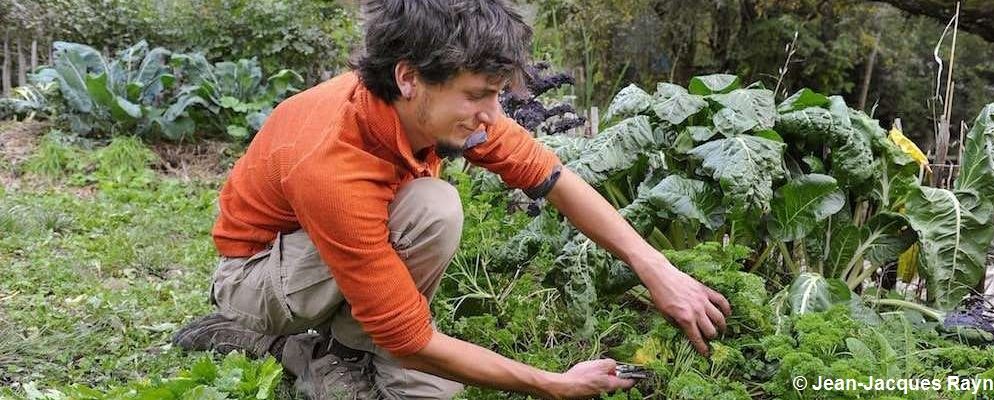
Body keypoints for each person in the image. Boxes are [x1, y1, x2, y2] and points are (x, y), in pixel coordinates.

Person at [172, 1, 731, 399]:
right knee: (432, 211)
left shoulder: (453, 115)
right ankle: (289, 346)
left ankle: (349, 349)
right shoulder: (334, 164)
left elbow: (554, 178)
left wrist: (656, 269)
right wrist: (552, 384)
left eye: (496, 93)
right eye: (477, 94)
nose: (493, 113)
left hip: (321, 253)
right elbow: (410, 337)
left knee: (430, 225)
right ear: (409, 78)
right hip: (256, 274)